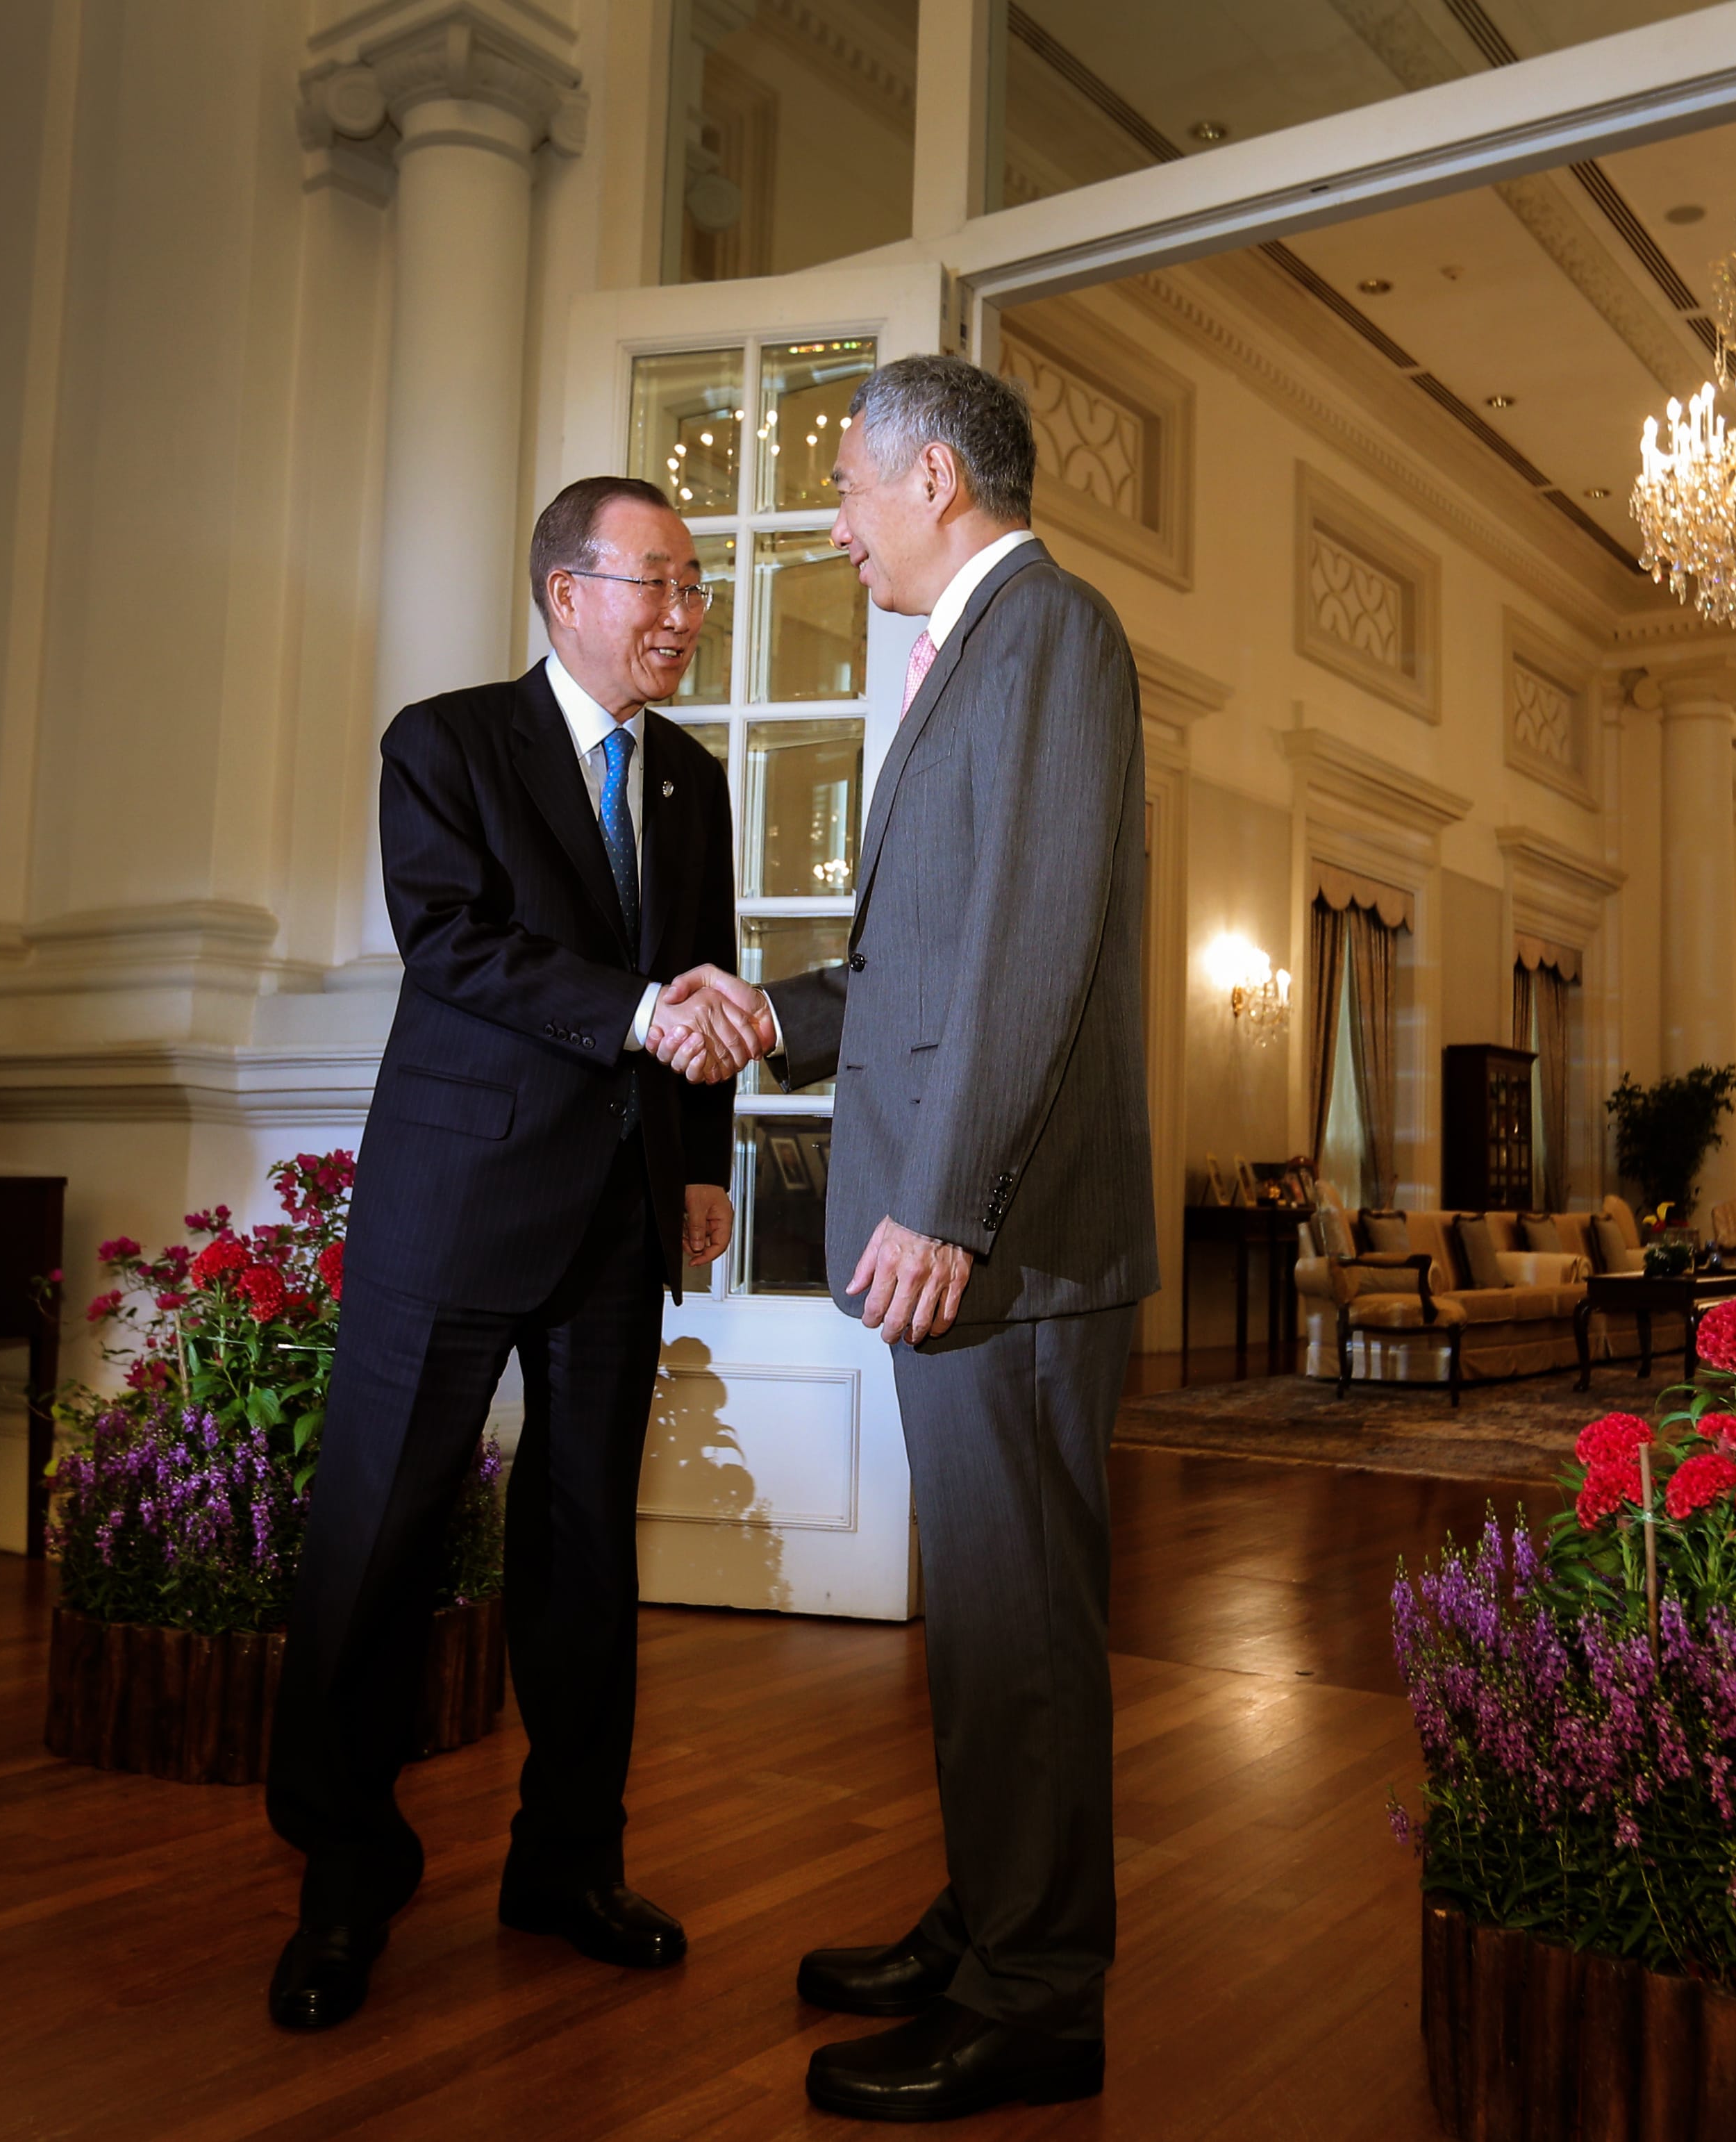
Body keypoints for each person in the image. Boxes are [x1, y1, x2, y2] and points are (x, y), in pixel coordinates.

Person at [655, 354, 1159, 2123]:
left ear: (936, 476)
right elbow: (923, 967)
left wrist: (944, 1203)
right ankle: (993, 1916)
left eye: (853, 490)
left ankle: (1036, 1998)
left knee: (1019, 1627)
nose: (838, 525)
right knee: (987, 1627)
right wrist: (768, 1010)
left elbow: (1028, 945)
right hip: (976, 1231)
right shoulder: (978, 657)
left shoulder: (1051, 634)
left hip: (1005, 1240)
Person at [262, 475, 746, 2033]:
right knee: (380, 1543)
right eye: (656, 583)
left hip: (619, 1211)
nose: (682, 613)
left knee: (587, 1549)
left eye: (694, 588)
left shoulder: (696, 783)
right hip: (455, 1203)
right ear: (565, 592)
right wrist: (630, 1017)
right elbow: (453, 941)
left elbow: (709, 981)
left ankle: (568, 1862)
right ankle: (346, 1876)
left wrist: (702, 1164)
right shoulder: (445, 741)